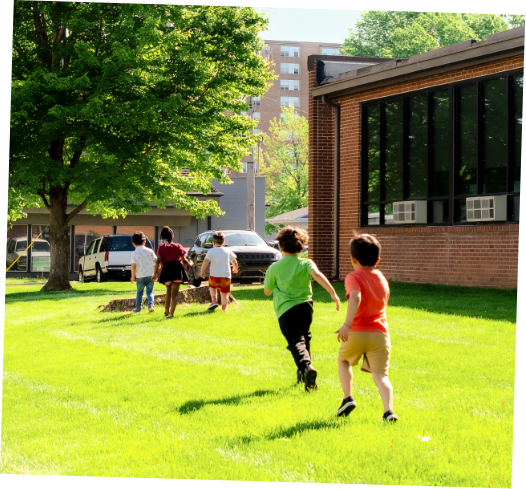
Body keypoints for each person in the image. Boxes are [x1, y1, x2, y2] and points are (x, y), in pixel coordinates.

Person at [263, 226, 340, 392]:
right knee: (305, 337)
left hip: (286, 309)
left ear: (280, 246)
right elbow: (318, 276)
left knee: (295, 340)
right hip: (306, 307)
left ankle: (306, 367)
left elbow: (267, 291)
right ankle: (304, 375)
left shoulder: (274, 268)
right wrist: (332, 293)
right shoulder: (306, 263)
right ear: (301, 246)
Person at [334, 232, 397, 422]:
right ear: (378, 259)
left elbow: (355, 297)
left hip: (357, 331)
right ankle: (389, 411)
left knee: (343, 361)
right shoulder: (382, 278)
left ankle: (348, 398)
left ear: (353, 259)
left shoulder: (353, 277)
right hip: (380, 334)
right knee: (381, 376)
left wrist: (347, 324)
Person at [152, 226, 193, 318]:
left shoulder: (161, 248)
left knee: (168, 291)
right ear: (173, 237)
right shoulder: (178, 246)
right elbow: (184, 260)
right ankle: (171, 313)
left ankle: (166, 312)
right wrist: (190, 264)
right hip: (177, 269)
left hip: (166, 269)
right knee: (174, 294)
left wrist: (154, 273)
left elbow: (158, 261)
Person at [200, 231, 238, 312]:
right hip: (225, 275)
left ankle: (214, 300)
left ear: (213, 242)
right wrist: (235, 268)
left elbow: (206, 261)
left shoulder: (211, 251)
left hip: (214, 275)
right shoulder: (228, 251)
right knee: (224, 294)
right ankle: (224, 308)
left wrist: (202, 271)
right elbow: (234, 261)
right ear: (223, 242)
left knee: (212, 287)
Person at [130, 231, 157, 313]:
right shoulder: (150, 251)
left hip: (140, 276)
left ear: (133, 243)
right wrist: (156, 271)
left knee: (139, 293)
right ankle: (151, 305)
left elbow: (133, 266)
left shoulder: (134, 253)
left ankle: (138, 308)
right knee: (150, 292)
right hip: (150, 275)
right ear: (144, 242)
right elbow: (156, 261)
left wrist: (133, 276)